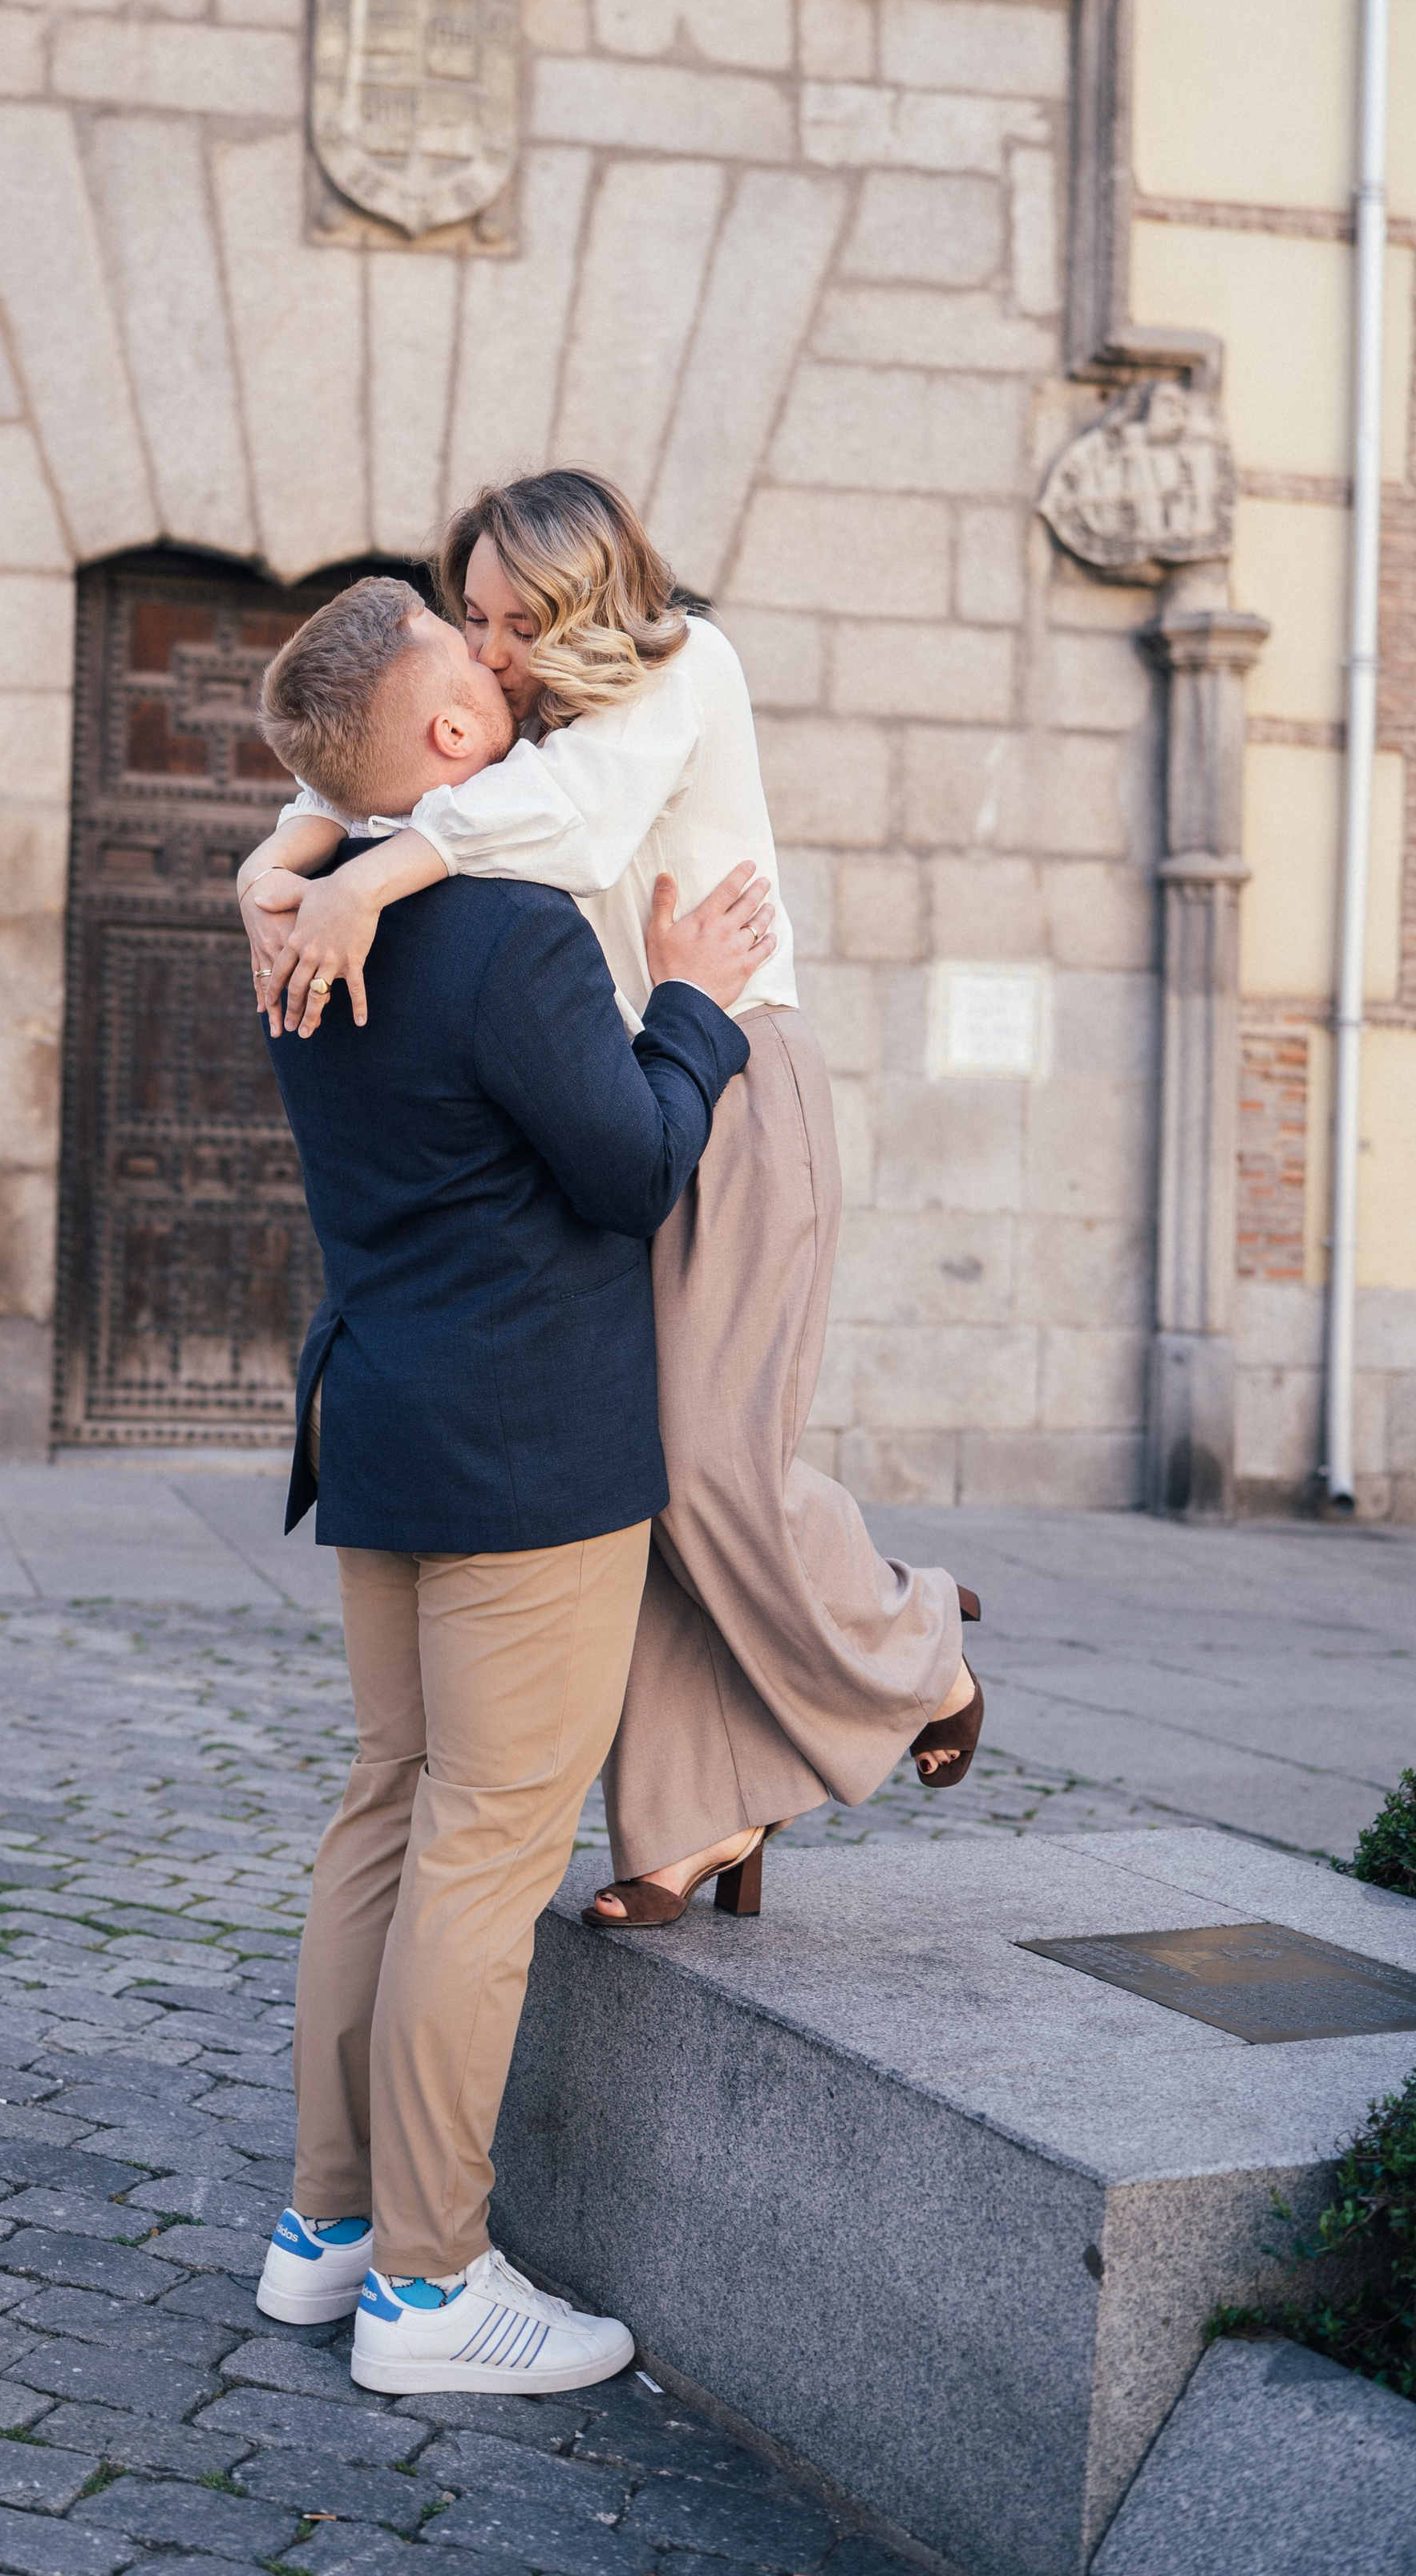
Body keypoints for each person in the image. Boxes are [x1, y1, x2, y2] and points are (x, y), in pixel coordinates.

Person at [236, 472, 983, 1937]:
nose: (492, 644)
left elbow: (570, 832)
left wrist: (364, 889)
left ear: (588, 600)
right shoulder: (527, 711)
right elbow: (342, 774)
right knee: (622, 1478)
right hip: (621, 1086)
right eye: (476, 615)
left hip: (734, 1077)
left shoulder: (683, 668)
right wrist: (275, 867)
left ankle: (917, 1644)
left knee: (712, 1458)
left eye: (518, 617)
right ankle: (699, 1811)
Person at [244, 573, 766, 2396]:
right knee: (479, 1844)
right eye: (477, 658)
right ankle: (430, 2286)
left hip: (381, 1420)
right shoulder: (512, 924)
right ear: (453, 741)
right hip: (524, 1447)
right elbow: (627, 1168)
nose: (511, 663)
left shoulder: (296, 919)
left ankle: (322, 2230)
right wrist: (694, 1008)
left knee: (385, 1813)